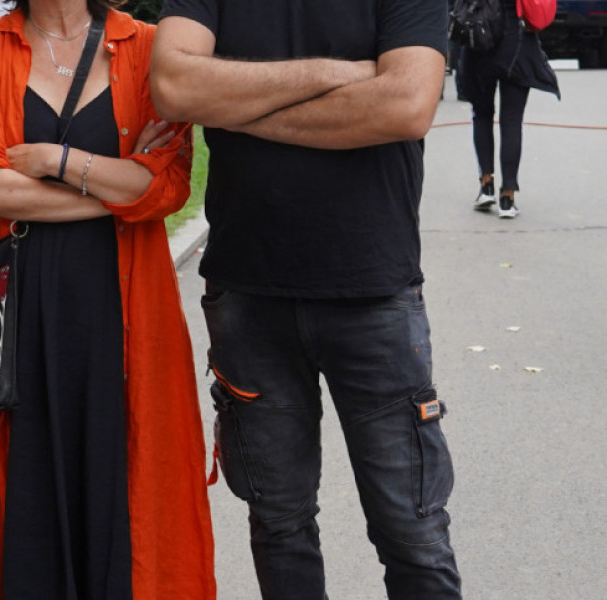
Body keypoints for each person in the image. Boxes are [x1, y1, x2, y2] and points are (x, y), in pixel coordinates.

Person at [151, 2, 461, 600]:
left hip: (372, 290)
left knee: (413, 533)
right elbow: (174, 86)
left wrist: (237, 108)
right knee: (279, 525)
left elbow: (404, 105)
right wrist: (332, 74)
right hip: (248, 293)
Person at [0, 1, 216, 599]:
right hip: (5, 310)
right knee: (8, 488)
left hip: (120, 306)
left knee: (121, 474)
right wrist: (117, 188)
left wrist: (56, 160)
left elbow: (166, 186)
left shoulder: (148, 49)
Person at [459, 0, 560, 218]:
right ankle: (507, 197)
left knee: (481, 114)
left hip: (482, 35)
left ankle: (486, 186)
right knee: (512, 121)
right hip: (517, 42)